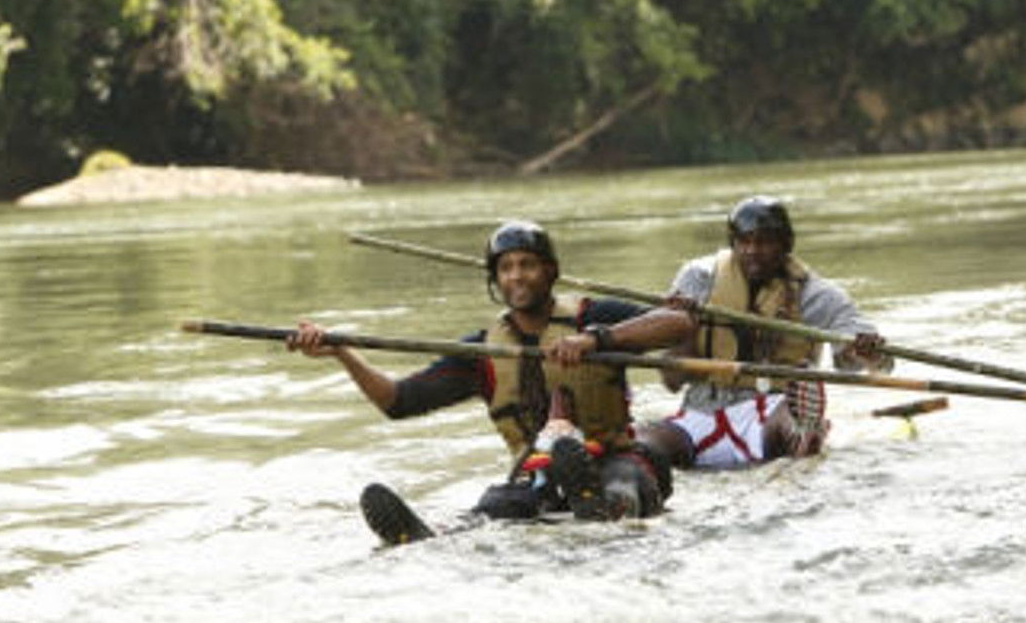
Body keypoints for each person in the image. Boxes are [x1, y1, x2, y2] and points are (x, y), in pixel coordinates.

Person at [287, 220, 694, 543]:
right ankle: (432, 537)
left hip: (614, 460)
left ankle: (604, 509)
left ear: (550, 272)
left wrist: (596, 339)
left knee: (623, 484)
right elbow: (398, 401)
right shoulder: (483, 352)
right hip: (536, 475)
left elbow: (678, 323)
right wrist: (343, 353)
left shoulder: (593, 316)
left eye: (527, 265)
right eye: (506, 268)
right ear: (496, 280)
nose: (517, 276)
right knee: (495, 508)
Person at [638, 195, 894, 469]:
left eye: (765, 242)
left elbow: (880, 363)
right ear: (733, 243)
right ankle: (635, 467)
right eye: (744, 241)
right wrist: (685, 326)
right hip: (700, 413)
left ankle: (803, 434)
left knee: (789, 417)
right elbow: (672, 382)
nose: (752, 250)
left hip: (772, 413)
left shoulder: (816, 295)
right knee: (645, 444)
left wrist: (864, 352)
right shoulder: (698, 279)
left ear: (786, 245)